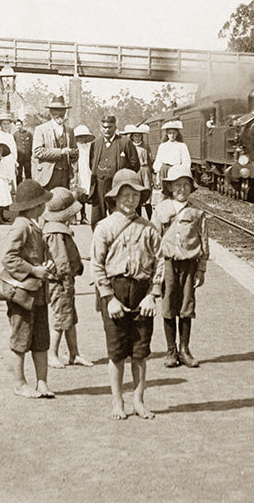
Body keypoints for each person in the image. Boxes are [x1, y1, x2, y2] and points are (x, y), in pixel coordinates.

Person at [91, 169, 163, 420]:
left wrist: (152, 294)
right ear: (114, 198)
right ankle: (117, 401)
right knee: (117, 352)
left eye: (135, 195)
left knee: (140, 352)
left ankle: (139, 400)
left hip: (142, 293)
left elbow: (160, 262)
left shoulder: (150, 229)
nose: (130, 200)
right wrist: (109, 298)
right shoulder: (105, 228)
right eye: (125, 195)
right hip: (115, 292)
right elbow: (97, 265)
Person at [2, 179, 56, 399]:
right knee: (21, 338)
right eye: (41, 202)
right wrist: (34, 271)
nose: (44, 206)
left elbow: (39, 254)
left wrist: (48, 264)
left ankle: (42, 382)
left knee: (41, 339)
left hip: (38, 294)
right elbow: (9, 258)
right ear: (34, 206)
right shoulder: (21, 226)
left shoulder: (34, 225)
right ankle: (20, 383)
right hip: (22, 294)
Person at [151, 164, 208, 369]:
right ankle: (171, 350)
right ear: (169, 188)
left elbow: (204, 241)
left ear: (191, 188)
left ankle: (185, 349)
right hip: (167, 264)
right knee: (168, 306)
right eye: (177, 185)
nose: (181, 189)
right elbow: (154, 239)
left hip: (189, 265)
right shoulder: (161, 209)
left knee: (187, 306)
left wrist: (201, 269)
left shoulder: (197, 212)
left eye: (186, 185)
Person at [41, 186, 93, 369]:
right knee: (61, 319)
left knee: (70, 318)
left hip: (66, 281)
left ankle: (74, 353)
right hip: (60, 282)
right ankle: (52, 354)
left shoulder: (59, 229)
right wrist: (66, 276)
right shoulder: (56, 233)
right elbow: (61, 260)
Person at [88, 114, 140, 228]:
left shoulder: (124, 142)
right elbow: (91, 164)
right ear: (100, 127)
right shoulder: (95, 144)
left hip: (118, 187)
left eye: (110, 127)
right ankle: (101, 243)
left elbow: (135, 165)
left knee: (120, 218)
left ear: (115, 127)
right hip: (99, 187)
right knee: (96, 221)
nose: (106, 130)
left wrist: (122, 176)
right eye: (104, 127)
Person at [33, 96, 79, 190]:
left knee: (63, 202)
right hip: (47, 176)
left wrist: (73, 154)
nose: (60, 114)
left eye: (62, 111)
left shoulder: (70, 131)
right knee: (48, 203)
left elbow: (75, 152)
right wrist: (60, 152)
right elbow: (37, 151)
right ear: (50, 112)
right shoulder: (41, 129)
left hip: (65, 176)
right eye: (56, 111)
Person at [152, 120, 191, 199]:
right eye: (170, 133)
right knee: (164, 193)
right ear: (167, 134)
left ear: (177, 133)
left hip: (176, 171)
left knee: (176, 192)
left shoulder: (182, 146)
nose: (172, 135)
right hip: (165, 170)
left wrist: (183, 173)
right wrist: (158, 175)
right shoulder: (163, 146)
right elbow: (158, 161)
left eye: (174, 133)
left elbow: (186, 161)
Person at [74, 125, 95, 224]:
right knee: (77, 194)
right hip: (79, 173)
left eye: (83, 136)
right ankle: (74, 215)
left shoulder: (89, 147)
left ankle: (83, 216)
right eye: (79, 137)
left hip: (87, 172)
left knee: (85, 194)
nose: (82, 139)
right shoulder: (75, 148)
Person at [13, 118, 33, 183]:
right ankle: (19, 188)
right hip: (19, 158)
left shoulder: (28, 134)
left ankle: (29, 188)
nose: (18, 126)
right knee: (19, 174)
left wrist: (31, 154)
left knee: (28, 172)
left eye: (19, 125)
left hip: (27, 157)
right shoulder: (14, 135)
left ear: (22, 125)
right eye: (17, 125)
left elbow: (32, 144)